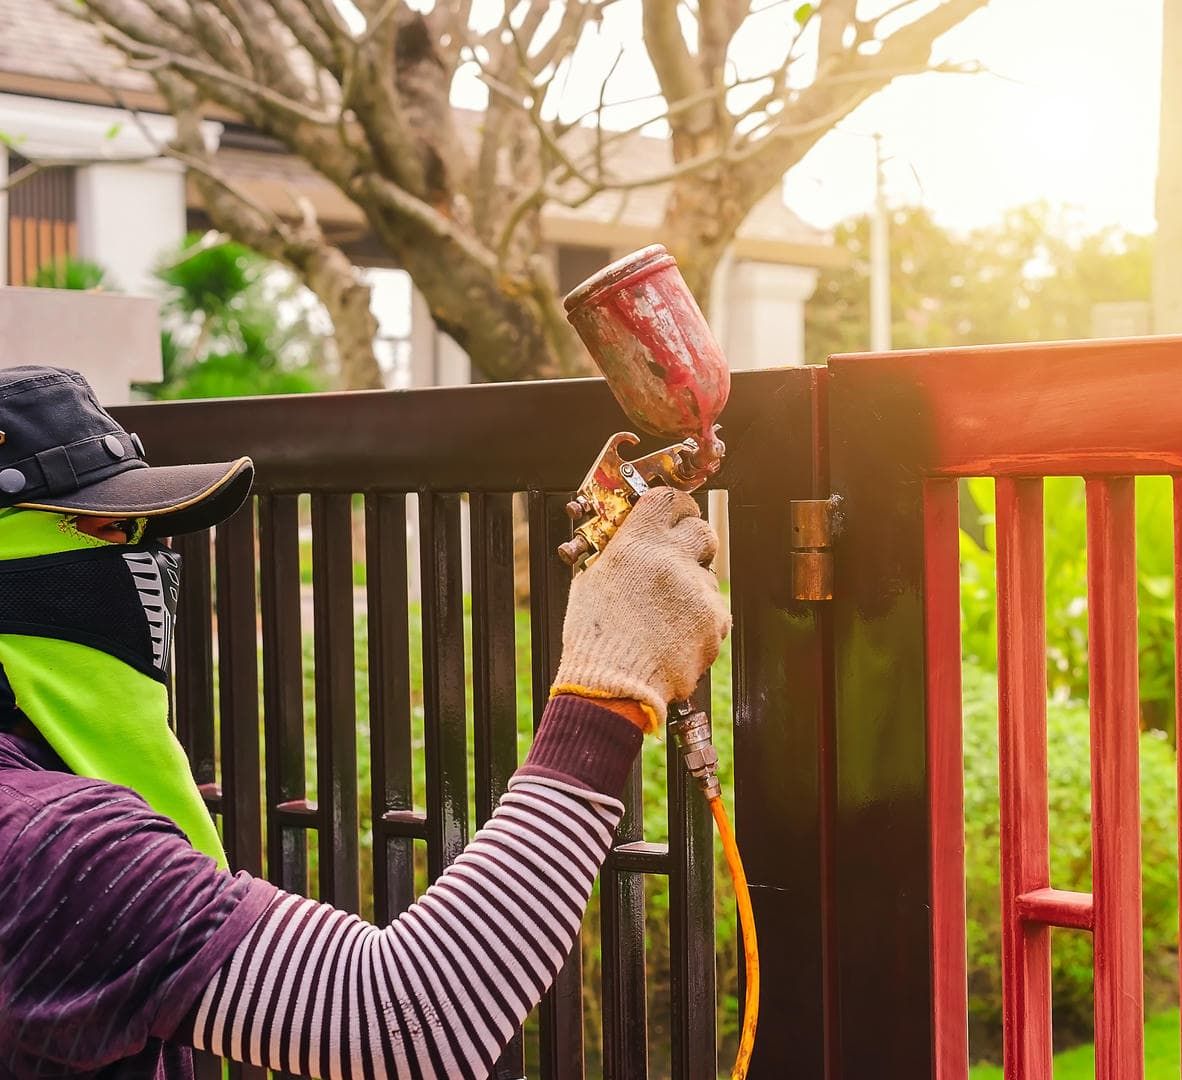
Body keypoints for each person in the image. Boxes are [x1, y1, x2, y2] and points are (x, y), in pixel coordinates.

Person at [0, 365, 731, 1078]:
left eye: (149, 532)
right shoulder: (46, 842)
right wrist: (607, 690)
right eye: (104, 532)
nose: (148, 559)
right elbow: (406, 1018)